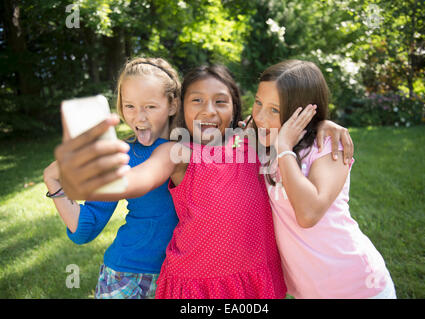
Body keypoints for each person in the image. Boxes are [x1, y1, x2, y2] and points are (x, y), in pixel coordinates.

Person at [53, 64, 354, 299]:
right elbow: (136, 180)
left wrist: (324, 123)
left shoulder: (254, 141)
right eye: (197, 100)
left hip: (253, 281)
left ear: (236, 108)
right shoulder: (177, 152)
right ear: (182, 108)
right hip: (195, 285)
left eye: (220, 102)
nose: (208, 110)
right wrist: (96, 176)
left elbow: (284, 121)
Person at [251, 59, 396, 299]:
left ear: (305, 113)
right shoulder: (262, 141)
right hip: (309, 292)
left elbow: (309, 214)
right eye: (258, 103)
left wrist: (285, 147)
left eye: (274, 109)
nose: (261, 117)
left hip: (357, 287)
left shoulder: (328, 146)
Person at [43, 57, 180, 299]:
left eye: (150, 106)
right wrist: (53, 182)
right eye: (130, 106)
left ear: (172, 105)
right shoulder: (121, 155)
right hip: (127, 276)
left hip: (182, 276)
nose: (139, 117)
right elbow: (86, 227)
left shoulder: (191, 148)